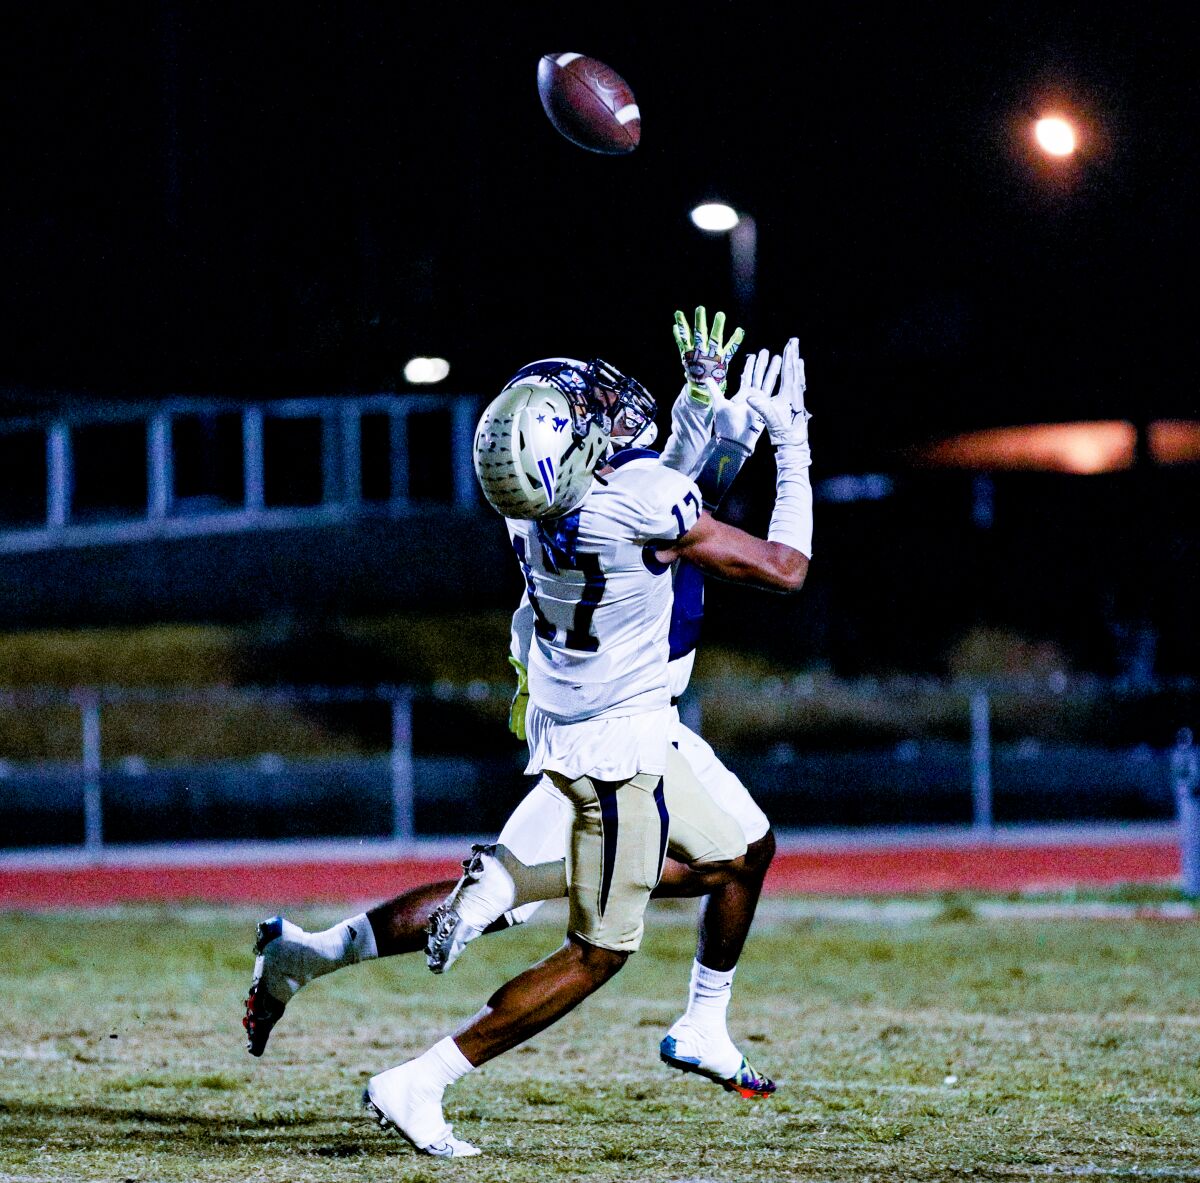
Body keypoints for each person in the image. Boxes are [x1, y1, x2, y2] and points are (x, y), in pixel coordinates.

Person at [244, 312, 789, 1108]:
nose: (605, 417)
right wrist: (729, 423)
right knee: (558, 912)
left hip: (604, 718)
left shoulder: (544, 505)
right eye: (586, 414)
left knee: (730, 855)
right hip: (616, 730)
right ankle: (415, 1056)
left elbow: (676, 491)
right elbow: (692, 510)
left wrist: (706, 413)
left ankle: (315, 952)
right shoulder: (628, 507)